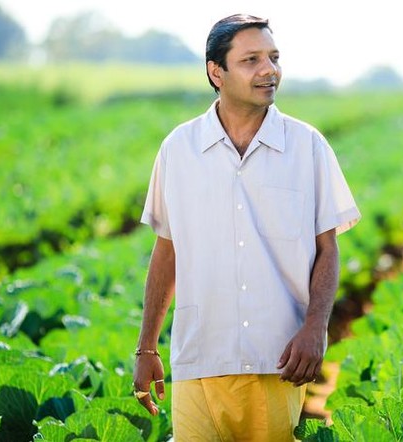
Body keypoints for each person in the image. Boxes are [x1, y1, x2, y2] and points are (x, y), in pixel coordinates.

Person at [132, 13, 360, 441]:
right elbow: (167, 251)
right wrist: (147, 347)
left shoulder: (307, 146)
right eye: (251, 59)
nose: (269, 70)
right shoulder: (178, 149)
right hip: (198, 357)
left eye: (273, 57)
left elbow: (327, 249)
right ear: (215, 72)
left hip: (277, 360)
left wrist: (316, 328)